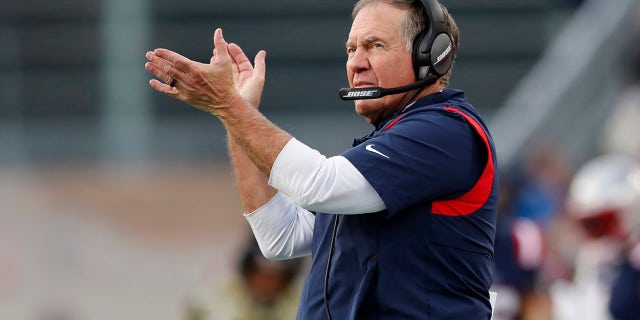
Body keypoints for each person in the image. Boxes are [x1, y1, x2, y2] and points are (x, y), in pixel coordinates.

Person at [144, 0, 498, 318]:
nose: (356, 62)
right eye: (351, 48)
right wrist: (237, 114)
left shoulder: (446, 130)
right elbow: (280, 237)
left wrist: (229, 106)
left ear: (430, 54)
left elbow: (318, 185)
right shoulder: (395, 145)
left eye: (375, 45)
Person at [182, 236, 305, 320]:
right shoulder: (211, 300)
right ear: (248, 272)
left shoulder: (303, 307)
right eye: (260, 275)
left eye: (275, 278)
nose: (266, 284)